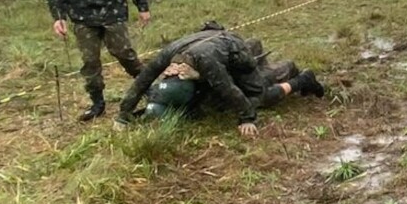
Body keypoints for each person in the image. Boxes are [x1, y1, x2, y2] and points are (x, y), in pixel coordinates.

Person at [117, 23, 325, 138]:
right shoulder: (167, 55)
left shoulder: (207, 63)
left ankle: (299, 76)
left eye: (180, 71)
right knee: (217, 98)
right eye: (173, 71)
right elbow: (142, 81)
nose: (175, 73)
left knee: (258, 93)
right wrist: (124, 115)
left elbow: (228, 89)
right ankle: (255, 45)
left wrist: (246, 118)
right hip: (214, 43)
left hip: (234, 52)